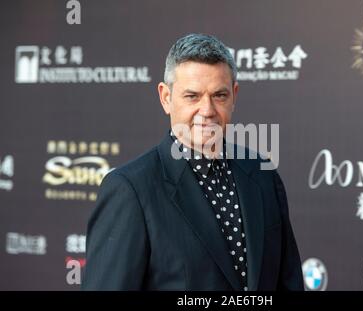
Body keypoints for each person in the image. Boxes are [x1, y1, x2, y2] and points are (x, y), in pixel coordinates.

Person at [82, 33, 303, 291]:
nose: (207, 110)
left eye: (219, 95)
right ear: (166, 97)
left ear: (234, 95)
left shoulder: (262, 173)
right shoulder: (131, 189)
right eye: (192, 96)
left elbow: (288, 281)